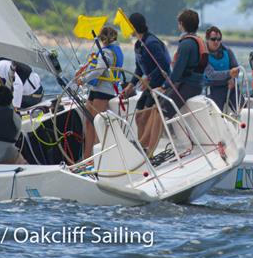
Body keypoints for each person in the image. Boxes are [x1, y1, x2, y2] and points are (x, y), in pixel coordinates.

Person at [138, 9, 207, 153]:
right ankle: (142, 143)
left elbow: (178, 71)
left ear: (181, 24)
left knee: (160, 112)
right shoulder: (197, 40)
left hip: (189, 86)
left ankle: (149, 151)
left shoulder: (186, 44)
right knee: (156, 108)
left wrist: (163, 87)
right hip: (192, 83)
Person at [122, 12, 172, 149]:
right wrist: (131, 85)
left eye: (128, 26)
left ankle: (147, 149)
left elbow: (165, 66)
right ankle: (141, 149)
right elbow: (139, 68)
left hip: (158, 85)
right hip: (148, 86)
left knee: (145, 117)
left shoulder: (152, 43)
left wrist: (148, 78)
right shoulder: (138, 44)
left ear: (134, 26)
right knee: (138, 117)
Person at [75, 25, 124, 159]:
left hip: (103, 92)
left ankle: (99, 157)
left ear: (102, 38)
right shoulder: (116, 50)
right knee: (89, 123)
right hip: (97, 90)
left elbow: (98, 71)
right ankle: (87, 157)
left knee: (96, 124)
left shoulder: (106, 52)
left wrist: (83, 80)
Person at [203, 26, 240, 112]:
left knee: (242, 108)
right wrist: (229, 73)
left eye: (219, 39)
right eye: (213, 39)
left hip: (230, 87)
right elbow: (211, 75)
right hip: (213, 88)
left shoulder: (228, 51)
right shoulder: (204, 55)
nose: (216, 41)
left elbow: (236, 68)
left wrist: (233, 79)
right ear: (207, 39)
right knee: (216, 114)